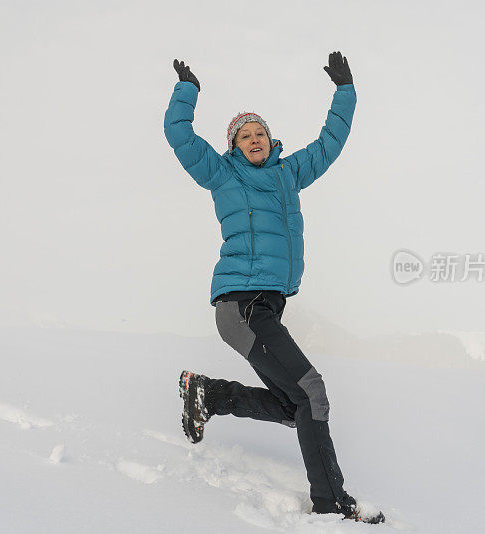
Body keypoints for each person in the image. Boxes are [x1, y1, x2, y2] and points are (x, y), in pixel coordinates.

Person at [164, 52, 383, 524]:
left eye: (260, 132)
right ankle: (330, 503)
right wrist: (188, 92)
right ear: (234, 145)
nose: (255, 139)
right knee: (312, 393)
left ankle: (209, 395)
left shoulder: (288, 175)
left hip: (265, 306)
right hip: (241, 305)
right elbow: (180, 137)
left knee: (293, 404)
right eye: (245, 135)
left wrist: (344, 92)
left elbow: (329, 144)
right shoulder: (222, 174)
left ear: (271, 139)